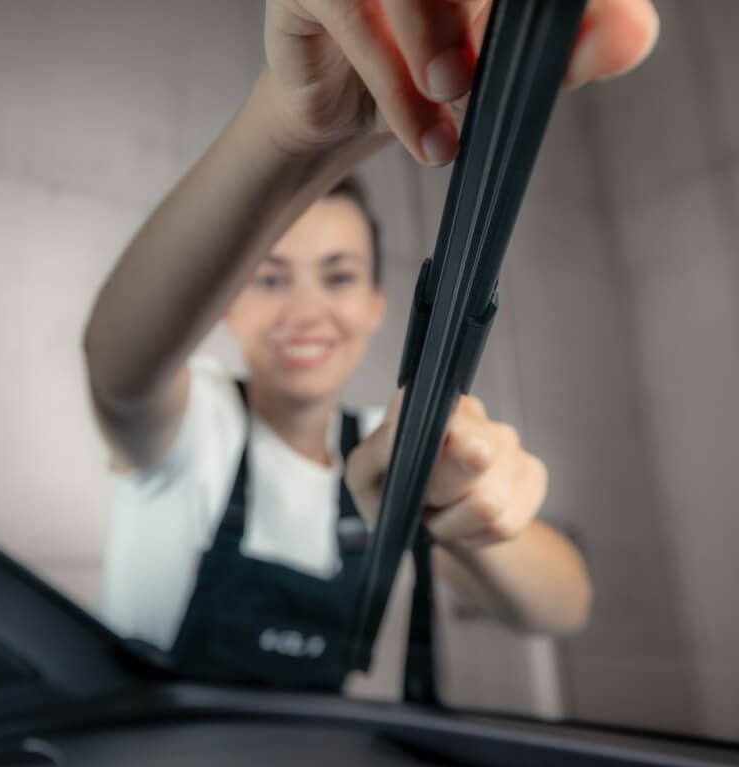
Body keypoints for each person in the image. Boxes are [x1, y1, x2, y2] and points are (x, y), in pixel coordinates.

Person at [83, 0, 659, 693]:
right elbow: (118, 366)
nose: (307, 311)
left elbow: (563, 607)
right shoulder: (188, 422)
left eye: (338, 276)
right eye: (270, 278)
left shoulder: (385, 449)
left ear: (375, 306)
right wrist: (288, 124)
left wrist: (474, 512)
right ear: (225, 303)